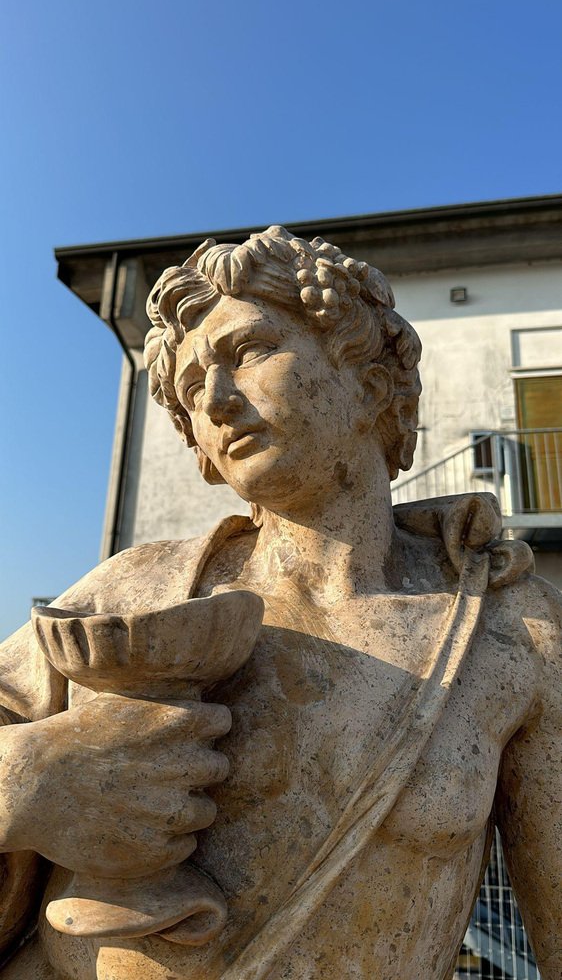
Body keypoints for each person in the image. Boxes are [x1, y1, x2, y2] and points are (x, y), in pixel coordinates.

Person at [0, 226, 560, 980]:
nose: (218, 402)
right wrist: (26, 781)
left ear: (366, 374)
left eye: (250, 351)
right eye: (193, 391)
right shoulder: (133, 594)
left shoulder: (510, 632)